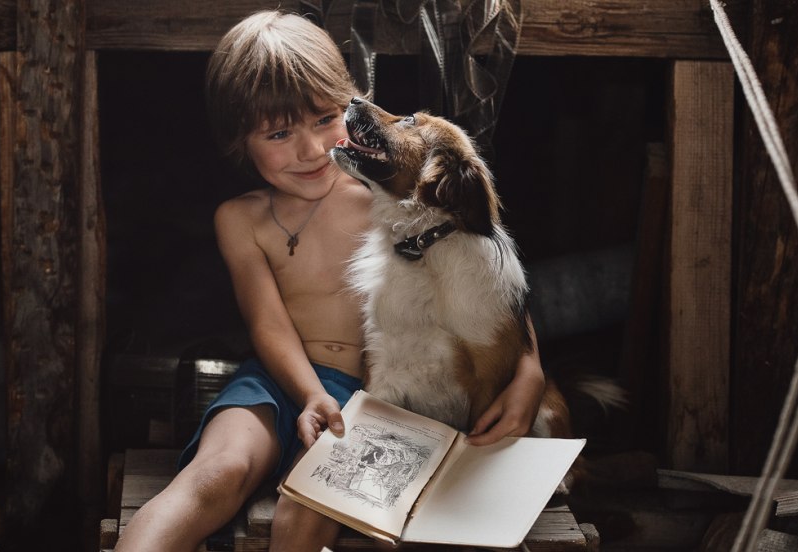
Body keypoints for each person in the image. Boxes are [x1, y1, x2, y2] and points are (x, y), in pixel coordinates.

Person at [115, 10, 547, 552]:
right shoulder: (240, 219)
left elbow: (488, 278)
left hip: (373, 393)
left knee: (312, 499)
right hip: (274, 379)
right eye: (279, 133)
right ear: (239, 140)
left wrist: (529, 369)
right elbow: (268, 324)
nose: (312, 150)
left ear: (350, 105)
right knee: (218, 471)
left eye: (325, 119)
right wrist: (310, 393)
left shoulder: (385, 197)